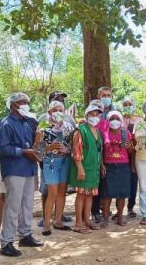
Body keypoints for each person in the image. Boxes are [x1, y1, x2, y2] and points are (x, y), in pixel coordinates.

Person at [0, 92, 44, 257]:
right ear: (14, 105)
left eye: (27, 102)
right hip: (14, 169)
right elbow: (1, 147)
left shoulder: (26, 123)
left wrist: (37, 141)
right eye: (23, 102)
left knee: (27, 204)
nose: (26, 105)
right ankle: (7, 241)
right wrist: (23, 152)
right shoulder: (5, 123)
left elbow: (33, 146)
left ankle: (25, 235)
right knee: (13, 206)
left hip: (29, 168)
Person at [37, 91, 76, 228]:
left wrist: (68, 150)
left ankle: (58, 221)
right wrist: (49, 147)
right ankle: (47, 223)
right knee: (51, 192)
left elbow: (74, 144)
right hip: (50, 162)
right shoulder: (43, 125)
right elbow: (38, 149)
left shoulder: (69, 126)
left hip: (65, 161)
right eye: (54, 110)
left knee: (62, 192)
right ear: (49, 111)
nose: (58, 112)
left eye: (60, 110)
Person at [69, 104, 104, 233]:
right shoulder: (81, 130)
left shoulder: (97, 131)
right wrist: (80, 168)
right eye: (91, 114)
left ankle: (87, 220)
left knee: (89, 195)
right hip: (83, 168)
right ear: (86, 115)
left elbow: (99, 150)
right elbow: (76, 151)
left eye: (97, 115)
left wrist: (101, 165)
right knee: (81, 195)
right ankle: (78, 223)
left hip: (93, 169)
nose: (94, 117)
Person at [100, 110, 134, 227]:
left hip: (123, 165)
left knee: (122, 193)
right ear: (108, 121)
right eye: (112, 118)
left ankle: (120, 217)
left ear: (121, 121)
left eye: (117, 118)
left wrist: (130, 147)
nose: (115, 121)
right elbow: (101, 151)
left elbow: (131, 151)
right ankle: (105, 219)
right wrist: (101, 165)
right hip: (108, 165)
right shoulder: (104, 133)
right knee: (107, 194)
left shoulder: (125, 133)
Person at [121, 96, 142, 218]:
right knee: (123, 182)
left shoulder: (139, 119)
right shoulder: (118, 118)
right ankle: (120, 208)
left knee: (134, 182)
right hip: (122, 155)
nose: (127, 106)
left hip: (137, 154)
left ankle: (131, 207)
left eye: (129, 104)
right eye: (125, 104)